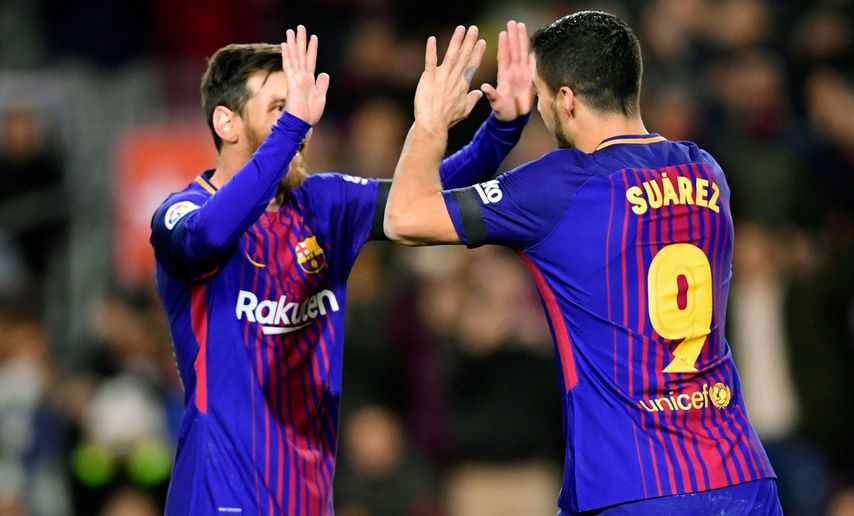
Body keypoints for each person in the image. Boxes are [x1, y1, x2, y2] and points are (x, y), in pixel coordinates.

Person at [385, 11, 782, 515]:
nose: (541, 109)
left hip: (634, 484)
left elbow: (403, 217)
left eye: (542, 96)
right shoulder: (707, 172)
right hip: (742, 475)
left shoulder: (559, 186)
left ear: (567, 99)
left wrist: (432, 123)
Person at [149, 23, 534, 515]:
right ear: (227, 123)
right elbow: (207, 236)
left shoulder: (325, 204)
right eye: (280, 107)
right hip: (217, 497)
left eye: (301, 105)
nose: (303, 121)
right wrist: (291, 129)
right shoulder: (180, 214)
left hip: (308, 498)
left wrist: (500, 130)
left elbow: (420, 198)